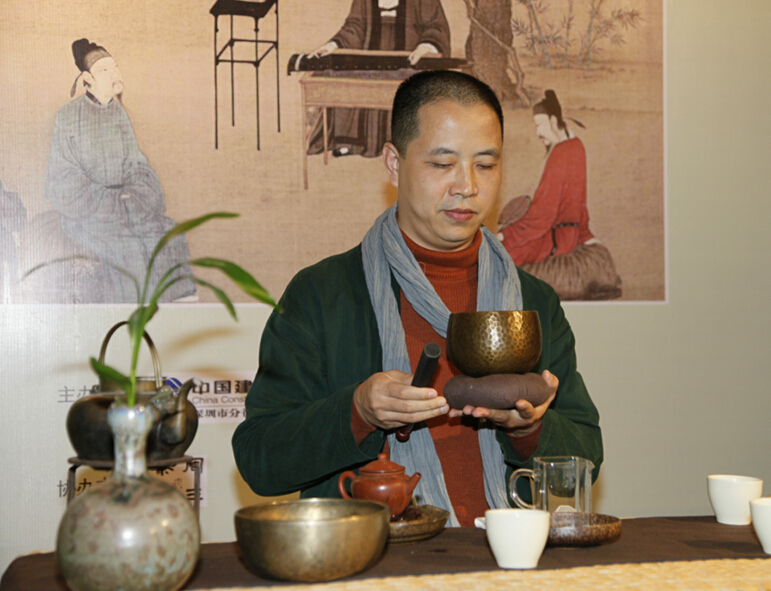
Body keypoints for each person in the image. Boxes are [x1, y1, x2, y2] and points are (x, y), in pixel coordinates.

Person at [232, 71, 603, 527]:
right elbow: (259, 458)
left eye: (485, 165)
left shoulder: (531, 301)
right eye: (442, 164)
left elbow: (587, 455)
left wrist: (531, 428)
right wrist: (357, 411)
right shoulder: (323, 294)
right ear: (394, 163)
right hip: (374, 554)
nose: (466, 186)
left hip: (507, 549)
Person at [45, 39, 195, 303]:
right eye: (104, 70)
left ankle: (176, 314)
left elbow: (136, 164)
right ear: (87, 79)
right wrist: (112, 201)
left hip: (127, 207)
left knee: (170, 234)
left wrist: (136, 194)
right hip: (90, 213)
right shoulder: (68, 117)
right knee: (127, 247)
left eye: (115, 67)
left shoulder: (119, 115)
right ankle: (136, 318)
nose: (114, 74)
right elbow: (63, 177)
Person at [498, 90, 621, 300]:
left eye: (539, 125)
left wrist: (507, 235)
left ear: (553, 121)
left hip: (557, 238)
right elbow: (578, 204)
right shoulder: (576, 146)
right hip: (568, 234)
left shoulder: (560, 153)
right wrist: (585, 235)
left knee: (501, 255)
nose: (538, 132)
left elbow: (543, 215)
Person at [305, 0, 451, 158]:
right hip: (369, 59)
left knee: (414, 85)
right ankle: (351, 142)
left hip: (410, 59)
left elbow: (435, 27)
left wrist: (425, 47)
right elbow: (354, 27)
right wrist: (332, 45)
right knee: (342, 77)